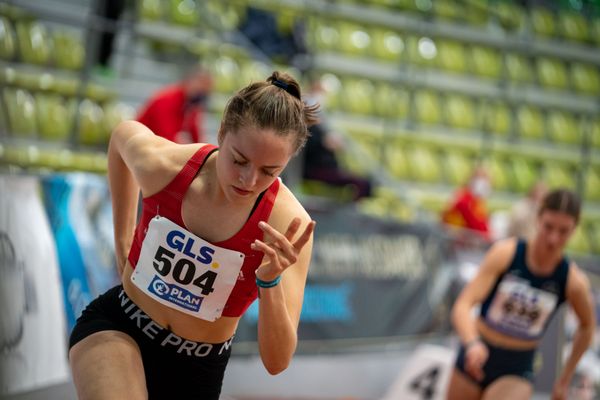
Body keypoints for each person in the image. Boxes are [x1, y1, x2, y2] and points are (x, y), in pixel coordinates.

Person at [68, 71, 318, 399]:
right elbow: (121, 137)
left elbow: (277, 361)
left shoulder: (288, 224)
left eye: (270, 172)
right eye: (239, 160)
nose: (248, 179)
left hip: (197, 369)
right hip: (120, 327)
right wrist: (123, 242)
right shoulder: (168, 167)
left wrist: (269, 283)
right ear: (221, 133)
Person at [447, 188, 596, 400]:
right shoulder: (506, 254)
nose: (553, 238)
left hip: (516, 367)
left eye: (563, 231)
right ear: (538, 219)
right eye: (548, 227)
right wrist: (471, 343)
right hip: (477, 352)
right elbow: (463, 305)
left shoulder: (572, 281)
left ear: (574, 230)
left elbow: (587, 325)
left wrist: (565, 377)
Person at [301, 79, 373, 201]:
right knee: (362, 184)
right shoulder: (305, 117)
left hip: (325, 165)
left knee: (366, 182)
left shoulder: (320, 118)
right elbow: (304, 144)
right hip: (314, 167)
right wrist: (324, 143)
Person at [136, 65, 214, 144]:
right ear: (189, 81)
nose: (203, 93)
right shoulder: (168, 99)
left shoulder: (191, 104)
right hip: (142, 143)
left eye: (206, 91)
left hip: (156, 144)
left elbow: (196, 134)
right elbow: (167, 137)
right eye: (200, 88)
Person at [441, 165, 492, 242]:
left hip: (468, 239)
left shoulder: (478, 200)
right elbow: (476, 226)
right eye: (482, 179)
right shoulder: (463, 199)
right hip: (455, 241)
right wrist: (488, 235)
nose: (485, 184)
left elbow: (483, 222)